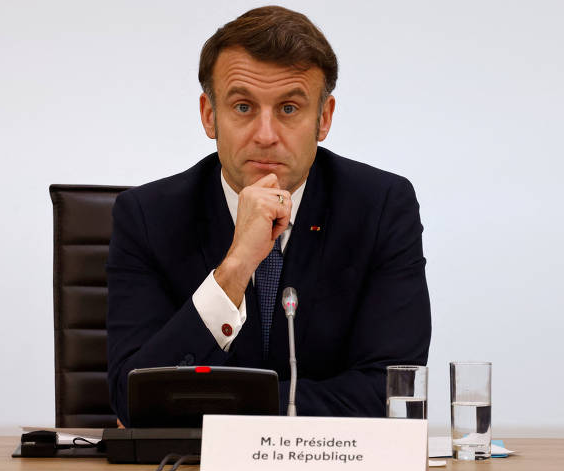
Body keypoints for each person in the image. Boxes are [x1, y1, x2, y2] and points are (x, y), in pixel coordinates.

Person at [107, 6, 431, 426]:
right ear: (209, 115)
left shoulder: (381, 206)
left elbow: (393, 395)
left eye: (289, 109)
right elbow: (134, 399)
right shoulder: (148, 217)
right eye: (243, 107)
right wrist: (236, 266)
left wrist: (212, 404)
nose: (265, 135)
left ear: (324, 118)